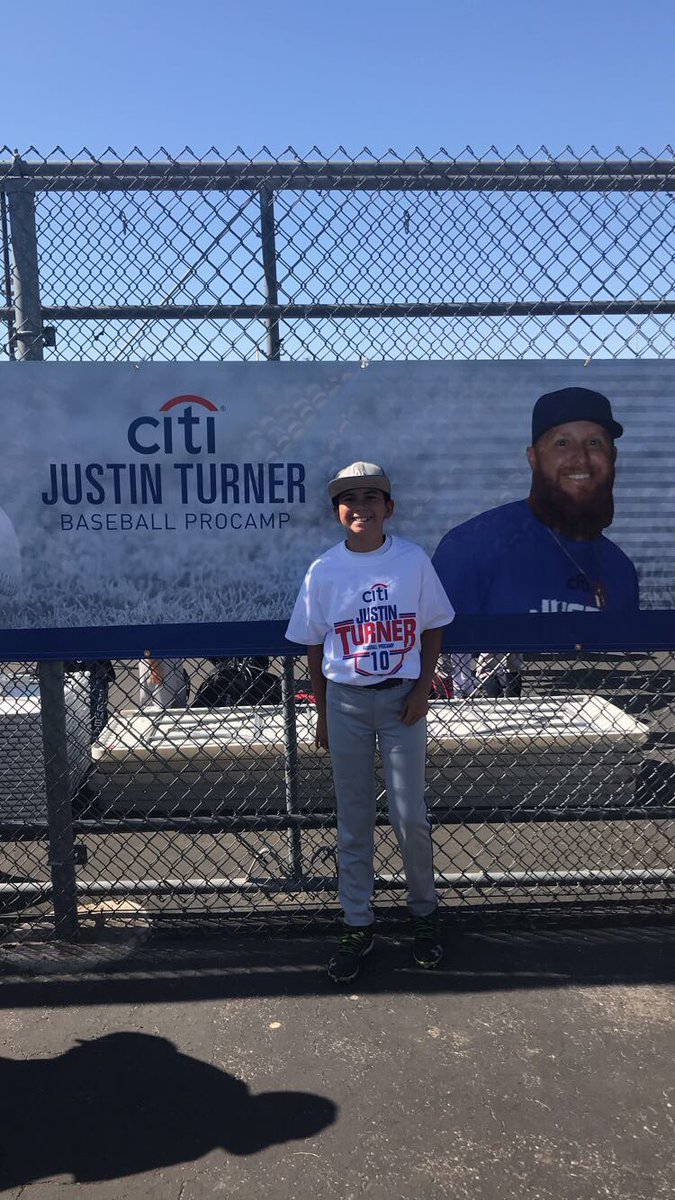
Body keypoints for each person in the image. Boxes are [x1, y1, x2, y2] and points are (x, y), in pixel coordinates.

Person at [286, 461, 454, 982]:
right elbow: (315, 646)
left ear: (389, 508)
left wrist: (424, 688)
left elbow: (433, 629)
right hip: (346, 703)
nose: (361, 507)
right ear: (338, 512)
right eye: (349, 499)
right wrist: (320, 711)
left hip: (402, 700)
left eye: (371, 497)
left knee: (410, 815)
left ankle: (423, 915)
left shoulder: (411, 561)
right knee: (354, 818)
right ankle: (358, 922)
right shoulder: (324, 570)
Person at [432, 387, 640, 695]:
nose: (580, 458)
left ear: (613, 456)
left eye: (594, 443)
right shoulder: (470, 546)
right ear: (533, 458)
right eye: (562, 443)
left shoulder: (619, 569)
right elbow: (435, 631)